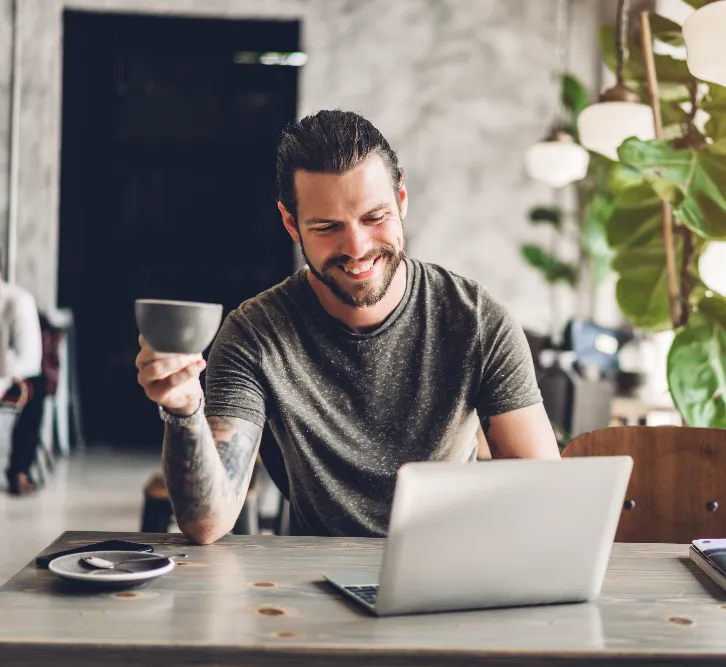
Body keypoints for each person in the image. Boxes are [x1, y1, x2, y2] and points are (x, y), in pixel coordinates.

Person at [135, 110, 560, 544]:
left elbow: (544, 496)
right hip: (316, 585)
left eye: (374, 217)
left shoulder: (476, 321)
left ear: (402, 201)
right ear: (290, 223)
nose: (356, 247)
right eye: (327, 227)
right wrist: (184, 410)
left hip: (448, 570)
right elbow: (208, 523)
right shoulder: (254, 334)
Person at [0, 273, 45, 496]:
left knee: (36, 389)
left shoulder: (18, 300)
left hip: (14, 378)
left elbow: (28, 360)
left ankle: (19, 470)